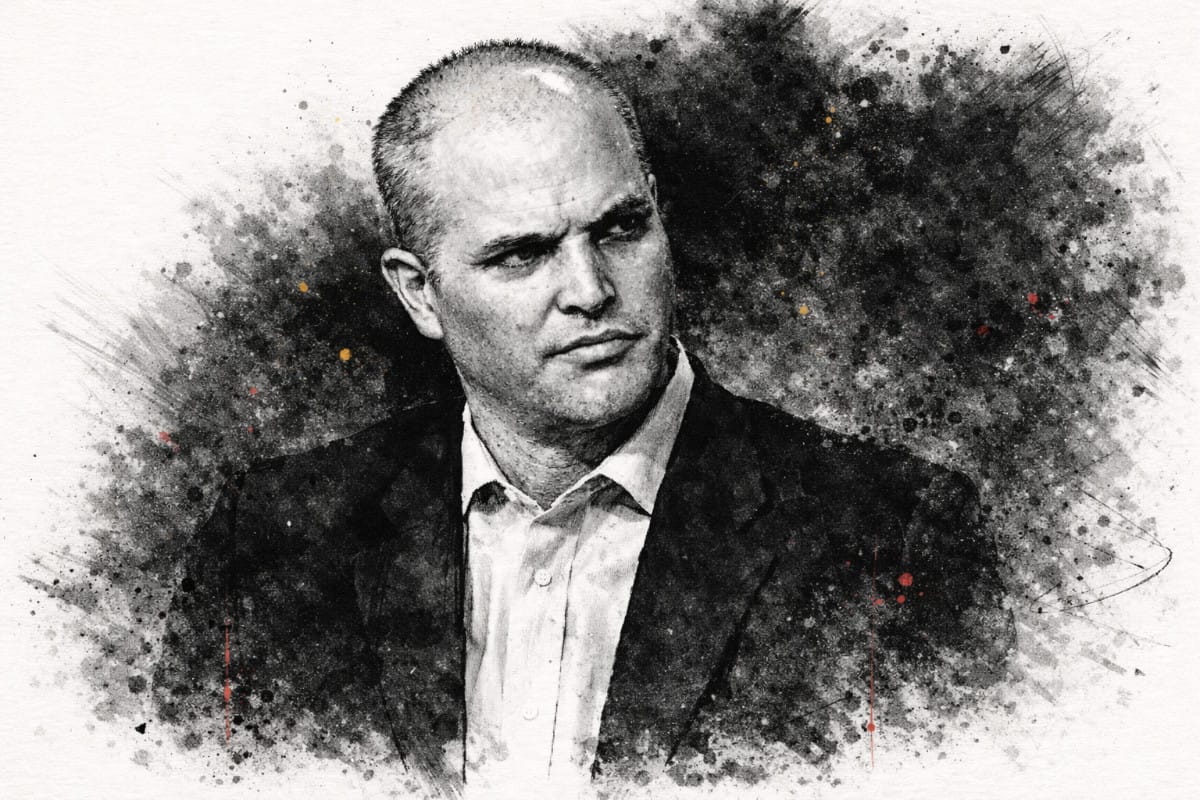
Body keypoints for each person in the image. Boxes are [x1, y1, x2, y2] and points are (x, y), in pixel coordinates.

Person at [155, 39, 1013, 795]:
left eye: (621, 229)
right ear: (419, 294)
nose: (591, 291)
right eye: (522, 254)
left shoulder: (894, 538)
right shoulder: (268, 541)